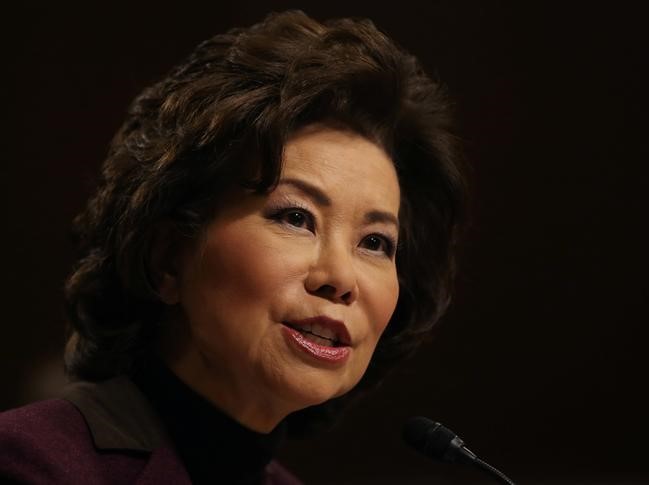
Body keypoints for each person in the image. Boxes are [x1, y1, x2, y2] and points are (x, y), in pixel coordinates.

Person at [0, 10, 465, 484]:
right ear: (168, 257)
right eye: (296, 217)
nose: (341, 279)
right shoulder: (31, 463)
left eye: (374, 242)